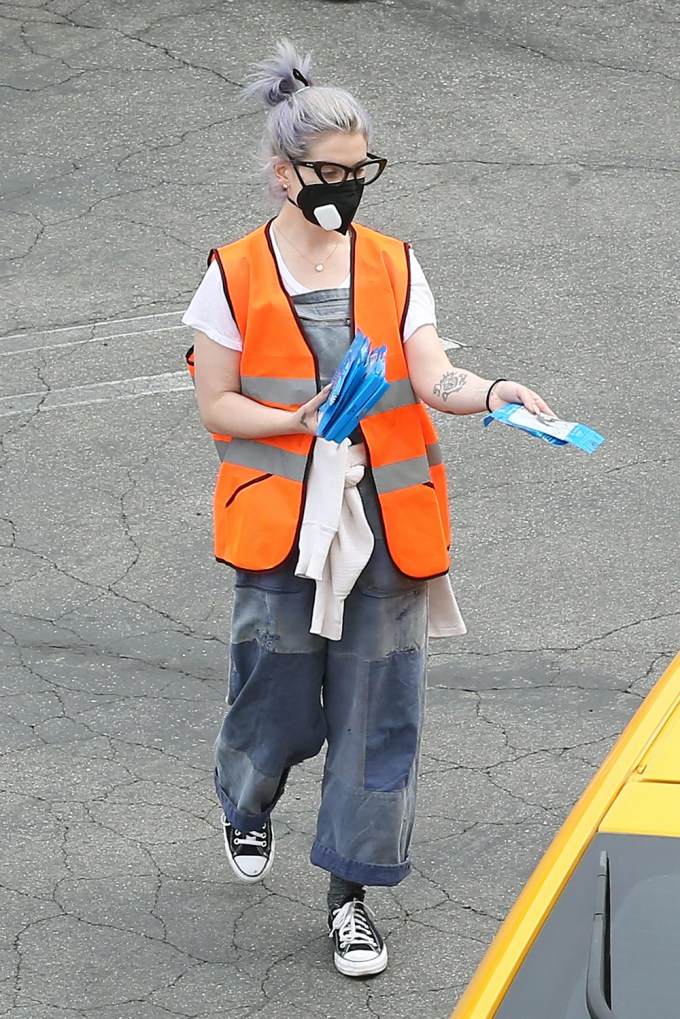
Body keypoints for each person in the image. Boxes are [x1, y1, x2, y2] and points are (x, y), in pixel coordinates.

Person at [182, 39, 554, 979]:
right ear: (283, 175)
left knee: (378, 711)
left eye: (361, 172)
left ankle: (350, 896)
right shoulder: (230, 273)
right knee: (271, 694)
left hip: (387, 522)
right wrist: (297, 421)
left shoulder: (394, 264)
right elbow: (217, 405)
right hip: (283, 519)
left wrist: (496, 388)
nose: (346, 189)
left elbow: (432, 374)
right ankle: (247, 797)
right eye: (330, 173)